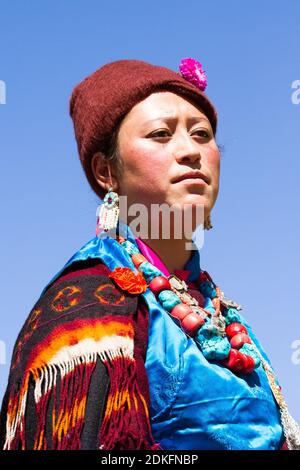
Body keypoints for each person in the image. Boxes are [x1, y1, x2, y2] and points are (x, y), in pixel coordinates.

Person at [0, 58, 299, 451]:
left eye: (202, 134)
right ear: (106, 171)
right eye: (161, 134)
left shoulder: (216, 308)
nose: (191, 151)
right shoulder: (89, 301)